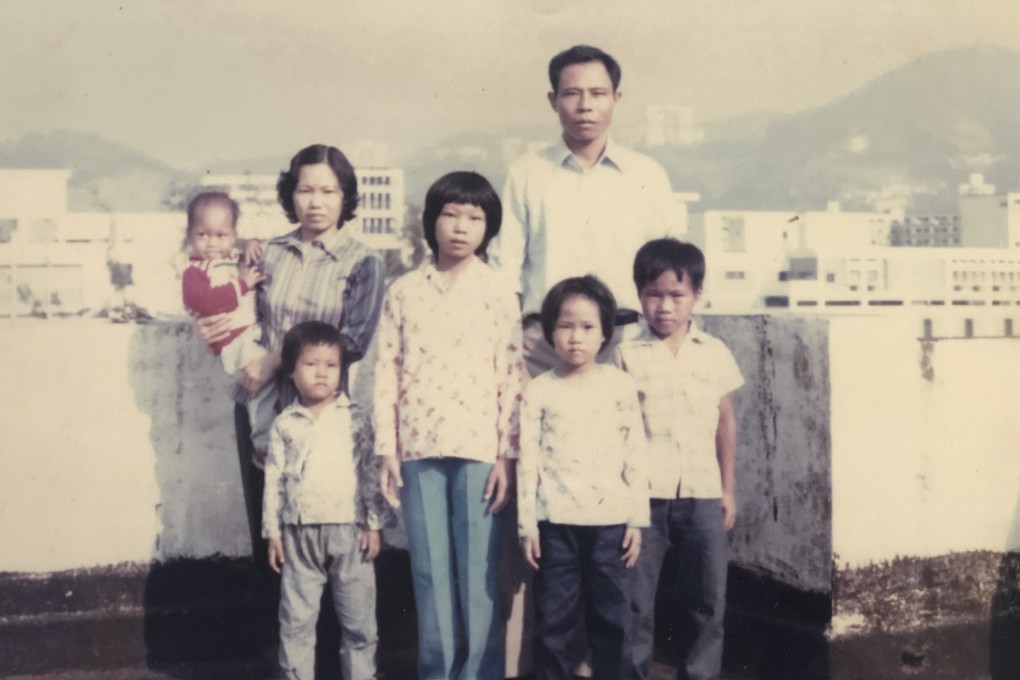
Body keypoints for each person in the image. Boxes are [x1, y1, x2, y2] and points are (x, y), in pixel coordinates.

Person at [196, 144, 386, 569]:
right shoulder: (268, 253)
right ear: (290, 194)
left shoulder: (364, 262)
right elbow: (243, 312)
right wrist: (212, 323)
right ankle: (278, 636)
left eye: (328, 191)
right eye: (305, 190)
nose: (316, 202)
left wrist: (276, 360)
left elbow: (352, 341)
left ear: (346, 196)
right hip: (261, 407)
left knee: (327, 538)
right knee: (270, 537)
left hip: (324, 416)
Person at [373, 171, 525, 680]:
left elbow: (511, 375)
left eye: (474, 217)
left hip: (481, 450)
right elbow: (386, 370)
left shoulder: (500, 293)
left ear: (489, 228)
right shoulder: (404, 292)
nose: (461, 227)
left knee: (479, 574)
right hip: (418, 448)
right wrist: (386, 448)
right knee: (430, 574)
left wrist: (506, 454)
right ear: (432, 220)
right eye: (451, 214)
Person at [490, 44, 682, 378]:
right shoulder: (526, 172)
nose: (585, 106)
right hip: (543, 347)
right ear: (553, 101)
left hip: (630, 342)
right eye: (572, 94)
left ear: (616, 99)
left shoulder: (647, 175)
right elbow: (505, 270)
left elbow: (671, 265)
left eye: (598, 93)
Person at [613, 239, 743, 680]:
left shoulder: (714, 352)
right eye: (653, 294)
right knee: (634, 601)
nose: (664, 307)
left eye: (676, 295)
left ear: (696, 297)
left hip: (703, 495)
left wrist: (728, 490)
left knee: (708, 602)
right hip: (642, 501)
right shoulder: (626, 353)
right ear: (639, 296)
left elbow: (725, 423)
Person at [517, 275, 648, 680]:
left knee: (612, 621)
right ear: (550, 331)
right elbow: (528, 461)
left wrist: (636, 520)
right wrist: (528, 526)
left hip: (610, 526)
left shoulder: (620, 386)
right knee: (554, 625)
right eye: (565, 326)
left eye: (588, 327)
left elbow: (635, 456)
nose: (576, 337)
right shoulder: (539, 390)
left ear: (605, 333)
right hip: (555, 526)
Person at [263, 321, 386, 680]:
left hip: (350, 533)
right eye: (311, 364)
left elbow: (369, 473)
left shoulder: (355, 418)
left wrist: (373, 523)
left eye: (331, 365)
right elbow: (274, 480)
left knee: (360, 624)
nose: (321, 373)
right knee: (296, 623)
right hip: (299, 536)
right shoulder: (285, 424)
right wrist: (273, 532)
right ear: (291, 371)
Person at [181, 191, 276, 455]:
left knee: (266, 381)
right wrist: (243, 284)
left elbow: (250, 256)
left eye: (221, 235)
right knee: (261, 380)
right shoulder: (195, 272)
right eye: (203, 235)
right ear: (191, 236)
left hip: (251, 331)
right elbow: (206, 302)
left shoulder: (231, 259)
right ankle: (262, 444)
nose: (212, 243)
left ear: (233, 236)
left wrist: (252, 243)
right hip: (232, 340)